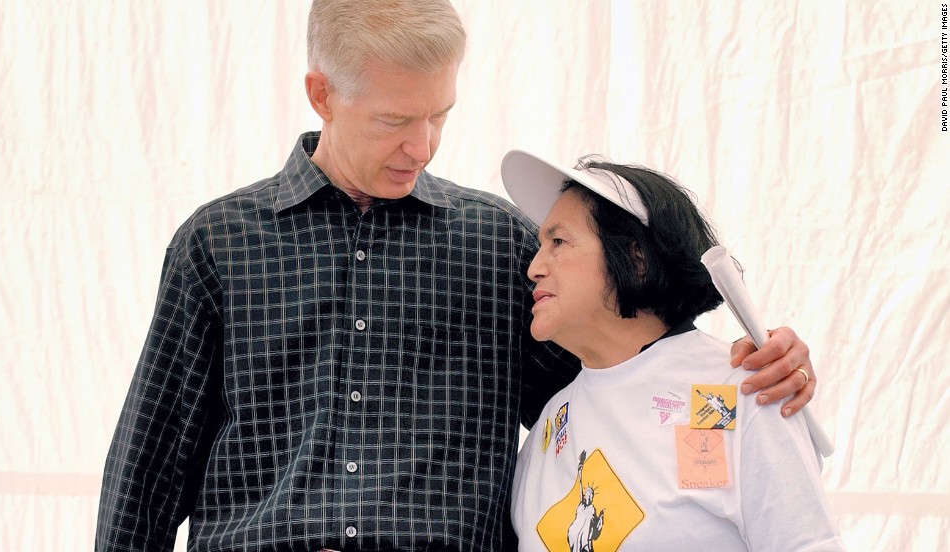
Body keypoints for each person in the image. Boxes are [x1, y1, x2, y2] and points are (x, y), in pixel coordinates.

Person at [96, 1, 819, 550]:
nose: (424, 144)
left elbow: (616, 377)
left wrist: (753, 369)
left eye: (440, 115)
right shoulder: (218, 242)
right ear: (322, 94)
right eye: (394, 120)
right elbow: (149, 471)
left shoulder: (499, 242)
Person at [502, 150, 845, 550]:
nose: (534, 267)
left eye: (558, 241)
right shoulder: (546, 430)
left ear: (636, 258)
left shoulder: (747, 392)